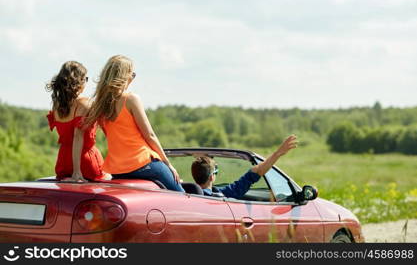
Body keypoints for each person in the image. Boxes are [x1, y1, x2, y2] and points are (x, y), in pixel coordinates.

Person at [85, 55, 184, 192]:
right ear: (125, 76)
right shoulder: (131, 99)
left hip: (118, 170)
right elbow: (149, 135)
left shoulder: (100, 105)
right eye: (133, 74)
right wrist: (168, 164)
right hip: (144, 163)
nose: (133, 78)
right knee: (182, 196)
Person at [46, 61, 110, 182]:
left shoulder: (57, 105)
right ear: (78, 81)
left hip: (63, 163)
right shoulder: (84, 103)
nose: (86, 82)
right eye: (85, 78)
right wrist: (77, 172)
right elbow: (78, 137)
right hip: (84, 163)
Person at [191, 135, 297, 198]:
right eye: (216, 171)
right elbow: (257, 171)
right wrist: (278, 153)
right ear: (211, 177)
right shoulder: (220, 194)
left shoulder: (183, 193)